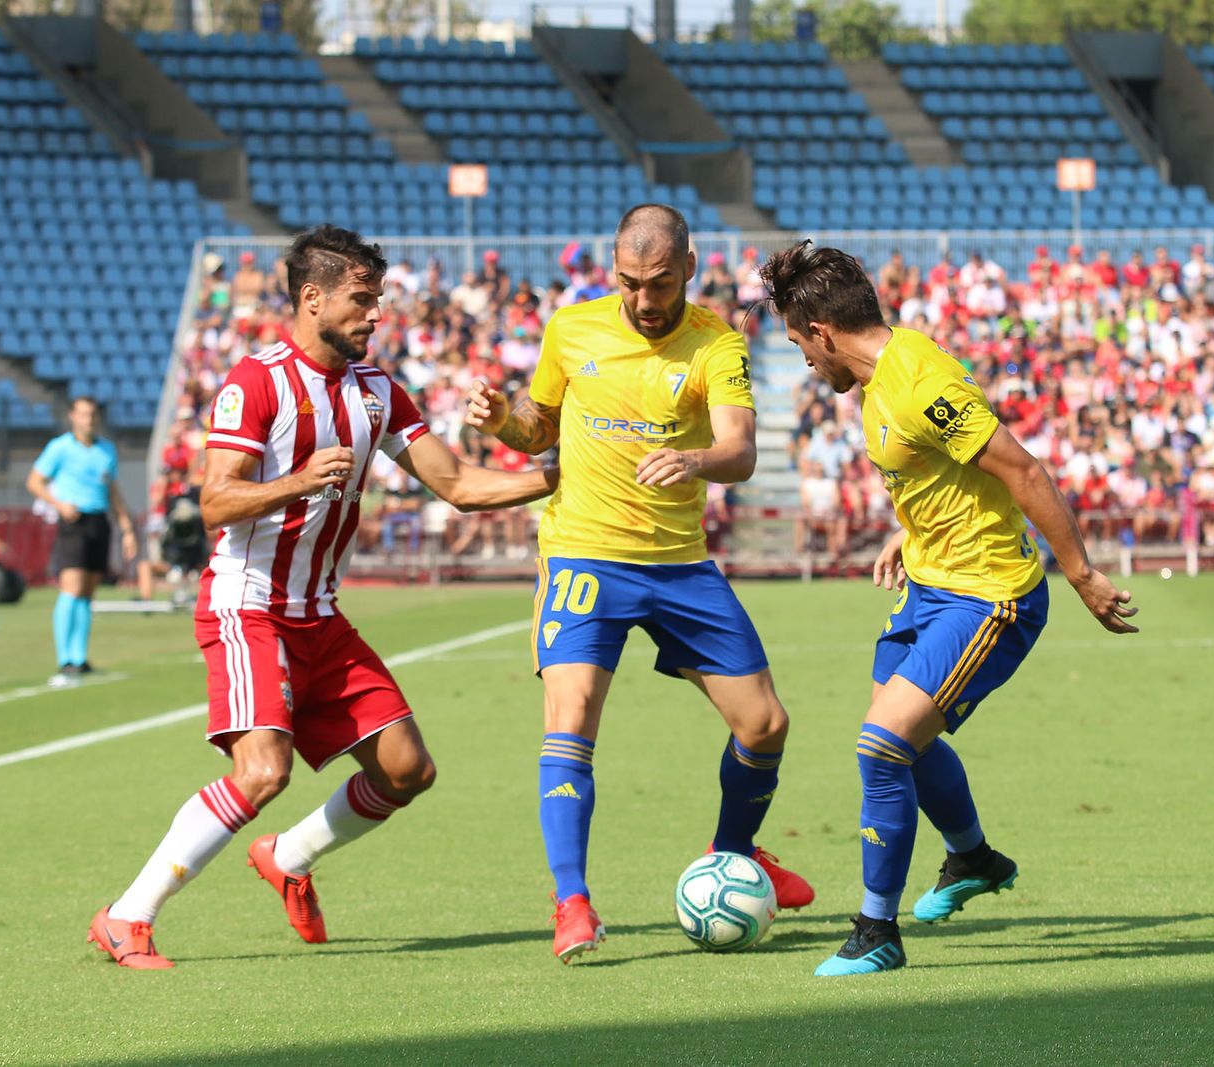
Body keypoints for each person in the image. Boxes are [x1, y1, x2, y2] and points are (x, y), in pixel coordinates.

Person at [87, 225, 559, 970]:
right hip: (249, 606)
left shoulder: (378, 390)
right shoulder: (255, 382)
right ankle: (126, 915)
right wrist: (298, 481)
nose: (376, 314)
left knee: (407, 770)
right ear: (312, 298)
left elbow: (460, 485)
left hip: (321, 617)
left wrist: (558, 479)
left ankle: (289, 856)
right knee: (263, 771)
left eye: (379, 299)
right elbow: (214, 502)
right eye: (362, 299)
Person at [758, 241, 1139, 977]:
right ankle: (973, 858)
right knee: (910, 740)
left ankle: (877, 929)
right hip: (928, 585)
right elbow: (937, 471)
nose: (802, 360)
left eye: (799, 343)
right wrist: (908, 533)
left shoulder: (917, 381)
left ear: (823, 333)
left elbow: (1022, 470)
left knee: (881, 746)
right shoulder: (877, 379)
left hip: (989, 594)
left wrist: (1082, 574)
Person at [465, 204, 814, 964]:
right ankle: (572, 902)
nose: (643, 299)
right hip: (584, 556)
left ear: (688, 267)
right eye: (629, 282)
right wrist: (501, 423)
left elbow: (740, 450)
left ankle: (734, 853)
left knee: (764, 725)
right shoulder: (572, 329)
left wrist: (695, 460)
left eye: (658, 283)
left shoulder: (717, 341)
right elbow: (538, 426)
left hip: (679, 562)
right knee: (571, 717)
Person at [27, 397, 138, 686]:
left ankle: (80, 657)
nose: (88, 420)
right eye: (83, 414)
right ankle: (65, 658)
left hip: (99, 521)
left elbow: (113, 491)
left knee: (88, 591)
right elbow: (35, 481)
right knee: (72, 587)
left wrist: (126, 528)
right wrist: (59, 504)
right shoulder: (60, 448)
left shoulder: (106, 450)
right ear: (72, 417)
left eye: (92, 415)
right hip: (73, 522)